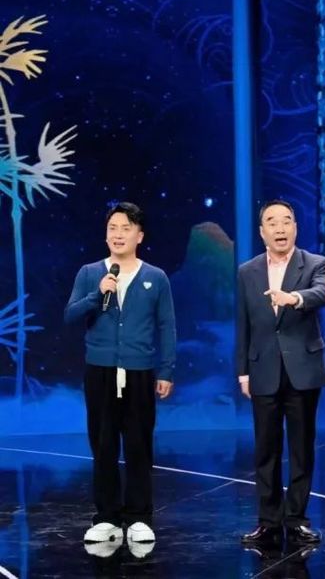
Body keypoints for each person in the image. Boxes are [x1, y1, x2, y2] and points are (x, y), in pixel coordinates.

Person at [64, 202, 176, 547]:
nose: (118, 234)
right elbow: (70, 315)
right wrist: (97, 295)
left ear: (139, 236)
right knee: (103, 445)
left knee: (139, 445)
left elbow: (167, 326)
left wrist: (166, 370)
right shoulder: (90, 273)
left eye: (126, 228)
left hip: (140, 371)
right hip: (99, 371)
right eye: (112, 228)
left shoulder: (156, 277)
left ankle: (139, 517)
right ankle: (107, 517)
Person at [236, 200, 325, 547]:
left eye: (286, 221)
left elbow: (323, 292)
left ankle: (297, 519)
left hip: (303, 369)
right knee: (266, 449)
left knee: (302, 448)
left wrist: (294, 298)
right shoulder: (247, 271)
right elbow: (243, 323)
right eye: (272, 222)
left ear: (295, 228)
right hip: (263, 368)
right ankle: (268, 521)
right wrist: (243, 371)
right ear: (262, 232)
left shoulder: (315, 263)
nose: (280, 228)